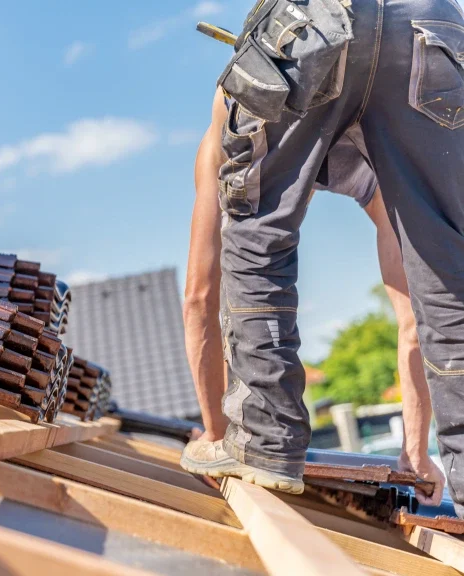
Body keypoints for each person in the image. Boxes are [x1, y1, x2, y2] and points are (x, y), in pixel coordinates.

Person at [180, 0, 464, 513]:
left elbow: (201, 294)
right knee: (447, 271)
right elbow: (418, 316)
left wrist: (220, 434)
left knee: (255, 228)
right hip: (428, 24)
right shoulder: (379, 166)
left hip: (316, 19)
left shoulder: (232, 118)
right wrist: (416, 452)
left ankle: (263, 442)